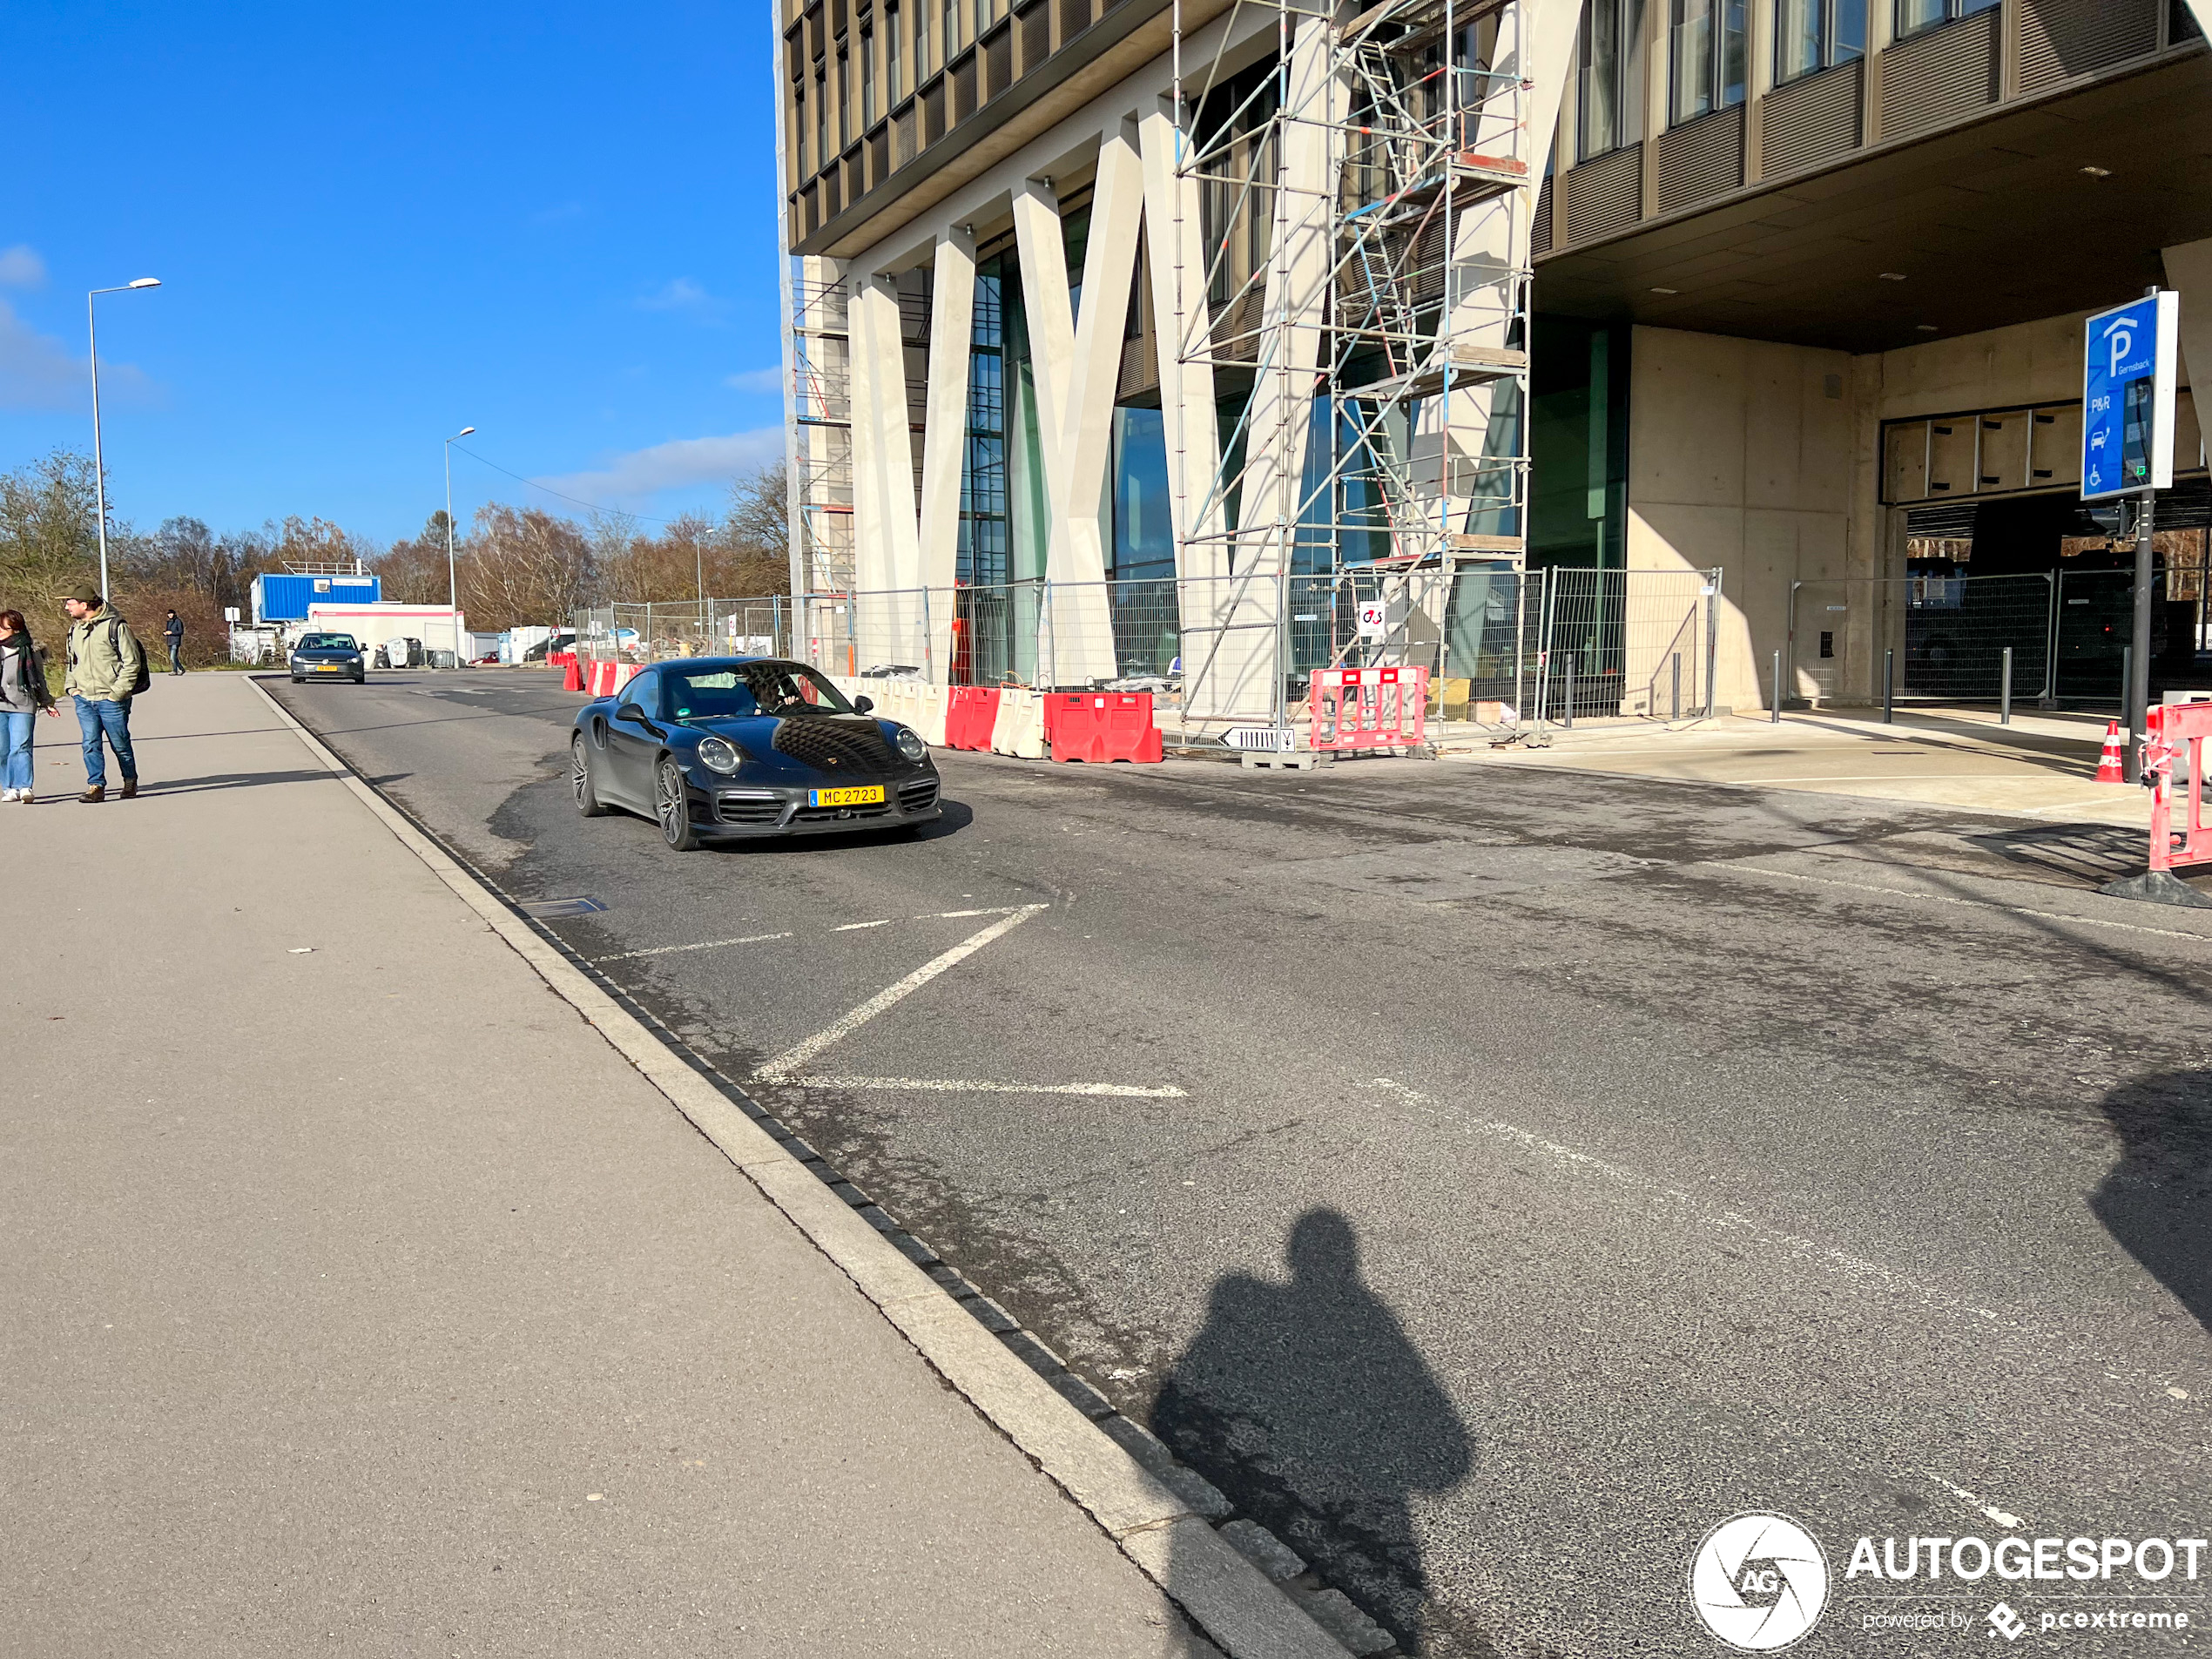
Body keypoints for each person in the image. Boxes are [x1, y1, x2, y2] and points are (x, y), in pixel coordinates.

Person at [62, 583, 145, 803]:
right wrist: (72, 688)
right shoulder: (74, 630)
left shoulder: (116, 627)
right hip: (84, 698)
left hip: (111, 699)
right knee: (90, 743)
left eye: (70, 603)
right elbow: (72, 662)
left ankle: (129, 779)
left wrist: (116, 693)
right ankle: (96, 786)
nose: (66, 608)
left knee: (120, 743)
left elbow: (131, 662)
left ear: (84, 604)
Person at [0, 609, 58, 803]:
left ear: (16, 629)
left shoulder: (30, 651)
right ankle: (9, 788)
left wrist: (47, 702)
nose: (0, 631)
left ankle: (24, 786)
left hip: (23, 704)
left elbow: (39, 679)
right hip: (1, 705)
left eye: (4, 627)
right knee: (2, 749)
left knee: (21, 746)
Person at [163, 609, 185, 676]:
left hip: (175, 641)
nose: (170, 615)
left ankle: (178, 669)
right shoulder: (169, 622)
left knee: (172, 657)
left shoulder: (178, 621)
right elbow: (168, 631)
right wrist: (166, 633)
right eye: (169, 614)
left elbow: (181, 632)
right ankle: (178, 670)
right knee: (174, 657)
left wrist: (172, 633)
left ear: (174, 614)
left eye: (171, 614)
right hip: (170, 641)